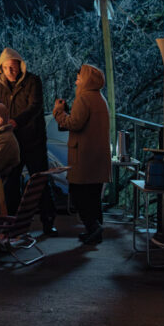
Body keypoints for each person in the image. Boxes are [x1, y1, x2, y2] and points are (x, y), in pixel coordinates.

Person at [0, 47, 57, 236]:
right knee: (11, 182)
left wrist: (16, 121)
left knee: (40, 180)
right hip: (11, 141)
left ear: (20, 67)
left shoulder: (32, 81)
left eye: (13, 67)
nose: (10, 72)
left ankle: (48, 221)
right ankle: (12, 223)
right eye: (6, 68)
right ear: (1, 69)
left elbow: (35, 106)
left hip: (33, 140)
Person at [53, 64, 111, 245]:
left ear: (86, 79)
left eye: (79, 76)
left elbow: (75, 123)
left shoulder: (84, 98)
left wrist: (59, 111)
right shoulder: (100, 98)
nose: (76, 80)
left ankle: (92, 227)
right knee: (94, 198)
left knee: (78, 194)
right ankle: (95, 232)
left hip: (84, 157)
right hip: (98, 157)